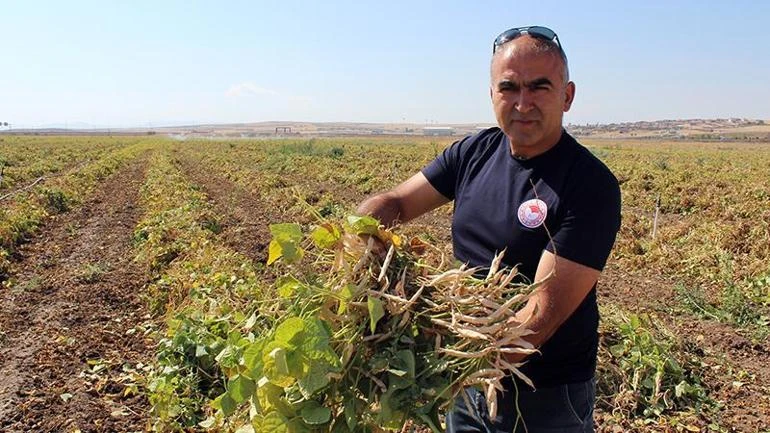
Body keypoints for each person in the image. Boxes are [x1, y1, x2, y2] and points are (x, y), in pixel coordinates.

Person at [356, 26, 621, 433]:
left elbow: (537, 322)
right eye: (509, 87)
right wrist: (362, 231)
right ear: (492, 95)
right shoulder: (473, 152)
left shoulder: (588, 185)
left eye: (539, 87)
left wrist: (430, 351)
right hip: (468, 385)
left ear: (567, 96)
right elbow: (398, 201)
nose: (523, 102)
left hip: (543, 397)